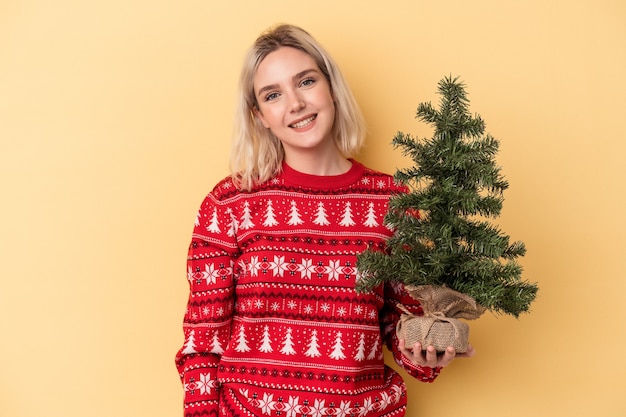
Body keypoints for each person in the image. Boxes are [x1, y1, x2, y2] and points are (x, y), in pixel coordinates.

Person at [175, 23, 474, 417]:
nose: (295, 103)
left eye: (306, 81)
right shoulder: (228, 205)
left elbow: (398, 325)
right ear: (260, 115)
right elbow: (202, 347)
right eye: (273, 95)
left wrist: (429, 353)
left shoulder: (391, 202)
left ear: (330, 86)